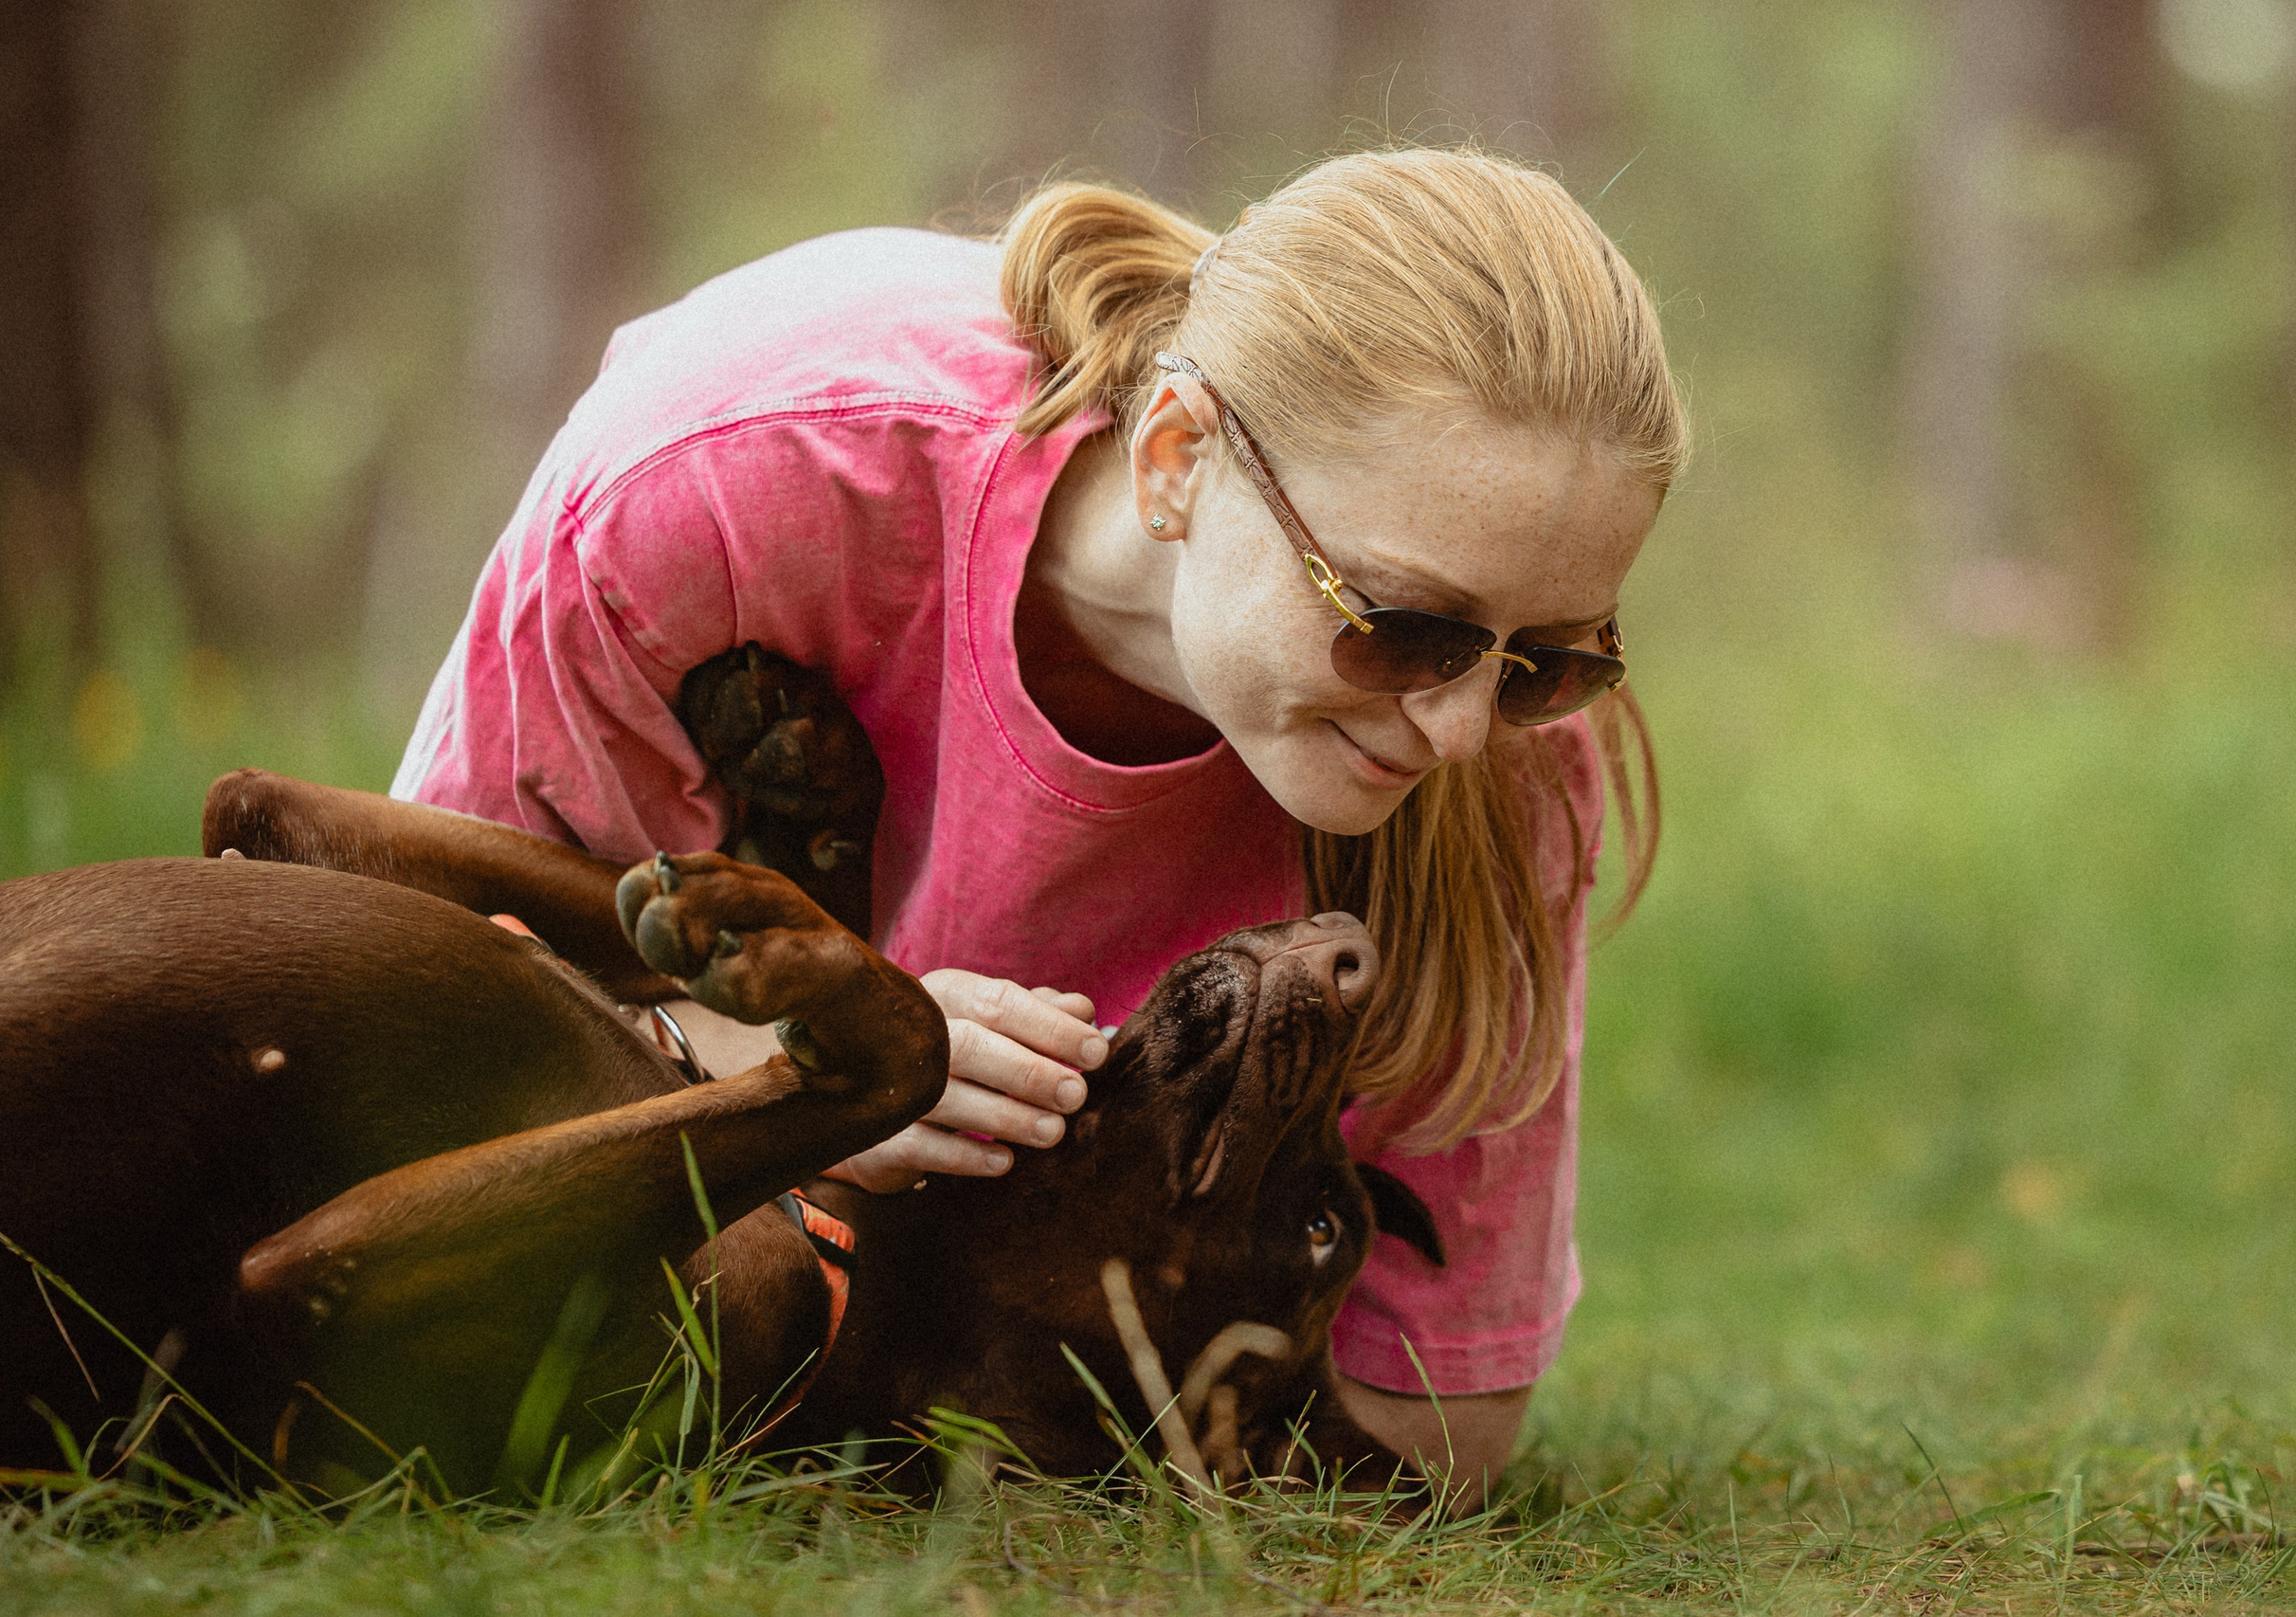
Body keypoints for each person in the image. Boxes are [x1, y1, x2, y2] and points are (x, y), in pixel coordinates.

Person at [395, 146, 1683, 1502]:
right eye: (1398, 625)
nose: (1467, 729)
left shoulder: (1512, 748)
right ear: (1179, 458)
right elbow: (408, 1013)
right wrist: (787, 1086)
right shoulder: (730, 478)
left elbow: (1435, 1419)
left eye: (1552, 657)